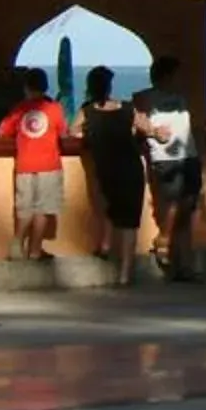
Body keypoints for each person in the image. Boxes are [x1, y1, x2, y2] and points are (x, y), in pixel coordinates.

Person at [75, 66, 148, 286]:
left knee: (108, 209)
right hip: (131, 169)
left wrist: (86, 134)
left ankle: (106, 247)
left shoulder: (87, 111)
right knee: (129, 223)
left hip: (106, 171)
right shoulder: (127, 108)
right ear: (110, 86)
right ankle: (125, 273)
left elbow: (72, 131)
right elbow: (146, 127)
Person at [138, 58, 202, 281]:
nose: (181, 79)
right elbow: (136, 119)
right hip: (166, 158)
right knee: (173, 205)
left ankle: (185, 265)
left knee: (187, 209)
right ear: (165, 76)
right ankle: (163, 240)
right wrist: (153, 132)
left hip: (189, 156)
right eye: (176, 74)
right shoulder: (145, 97)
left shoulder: (182, 98)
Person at [0, 67, 66, 265]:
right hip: (49, 166)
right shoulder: (54, 109)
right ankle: (35, 250)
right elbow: (63, 133)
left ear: (26, 87)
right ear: (45, 86)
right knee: (42, 209)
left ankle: (17, 244)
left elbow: (3, 131)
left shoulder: (20, 109)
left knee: (24, 208)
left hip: (25, 165)